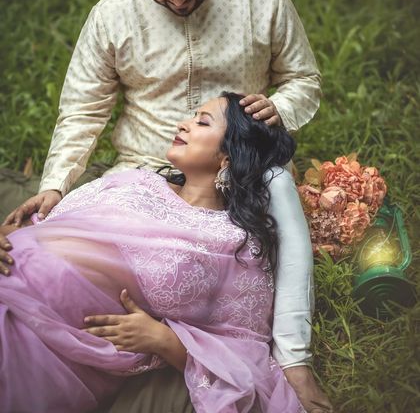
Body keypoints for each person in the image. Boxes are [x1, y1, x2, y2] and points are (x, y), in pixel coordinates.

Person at [1, 0, 330, 411]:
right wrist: (55, 185)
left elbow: (304, 80)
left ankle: (294, 357)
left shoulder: (262, 0)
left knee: (278, 222)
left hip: (237, 166)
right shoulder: (113, 14)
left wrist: (277, 108)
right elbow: (83, 111)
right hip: (138, 172)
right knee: (52, 242)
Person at [1, 93, 320, 413]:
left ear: (228, 156)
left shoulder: (234, 245)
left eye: (202, 122)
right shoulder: (133, 182)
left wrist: (165, 341)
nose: (183, 124)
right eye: (192, 117)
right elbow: (49, 227)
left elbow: (243, 348)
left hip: (49, 344)